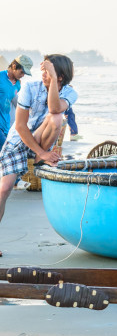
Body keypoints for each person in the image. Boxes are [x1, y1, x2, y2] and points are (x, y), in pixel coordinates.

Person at [0, 55, 76, 256]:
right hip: (19, 140)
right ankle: (40, 156)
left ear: (60, 76)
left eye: (47, 71)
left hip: (42, 137)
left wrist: (52, 79)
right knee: (4, 189)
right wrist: (42, 152)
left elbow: (54, 109)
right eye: (43, 70)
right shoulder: (30, 88)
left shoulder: (70, 92)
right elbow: (20, 126)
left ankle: (39, 159)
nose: (42, 74)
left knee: (57, 116)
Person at [0, 55, 33, 148]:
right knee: (6, 150)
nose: (22, 76)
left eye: (24, 74)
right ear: (14, 66)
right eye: (21, 72)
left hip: (6, 125)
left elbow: (14, 102)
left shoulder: (17, 84)